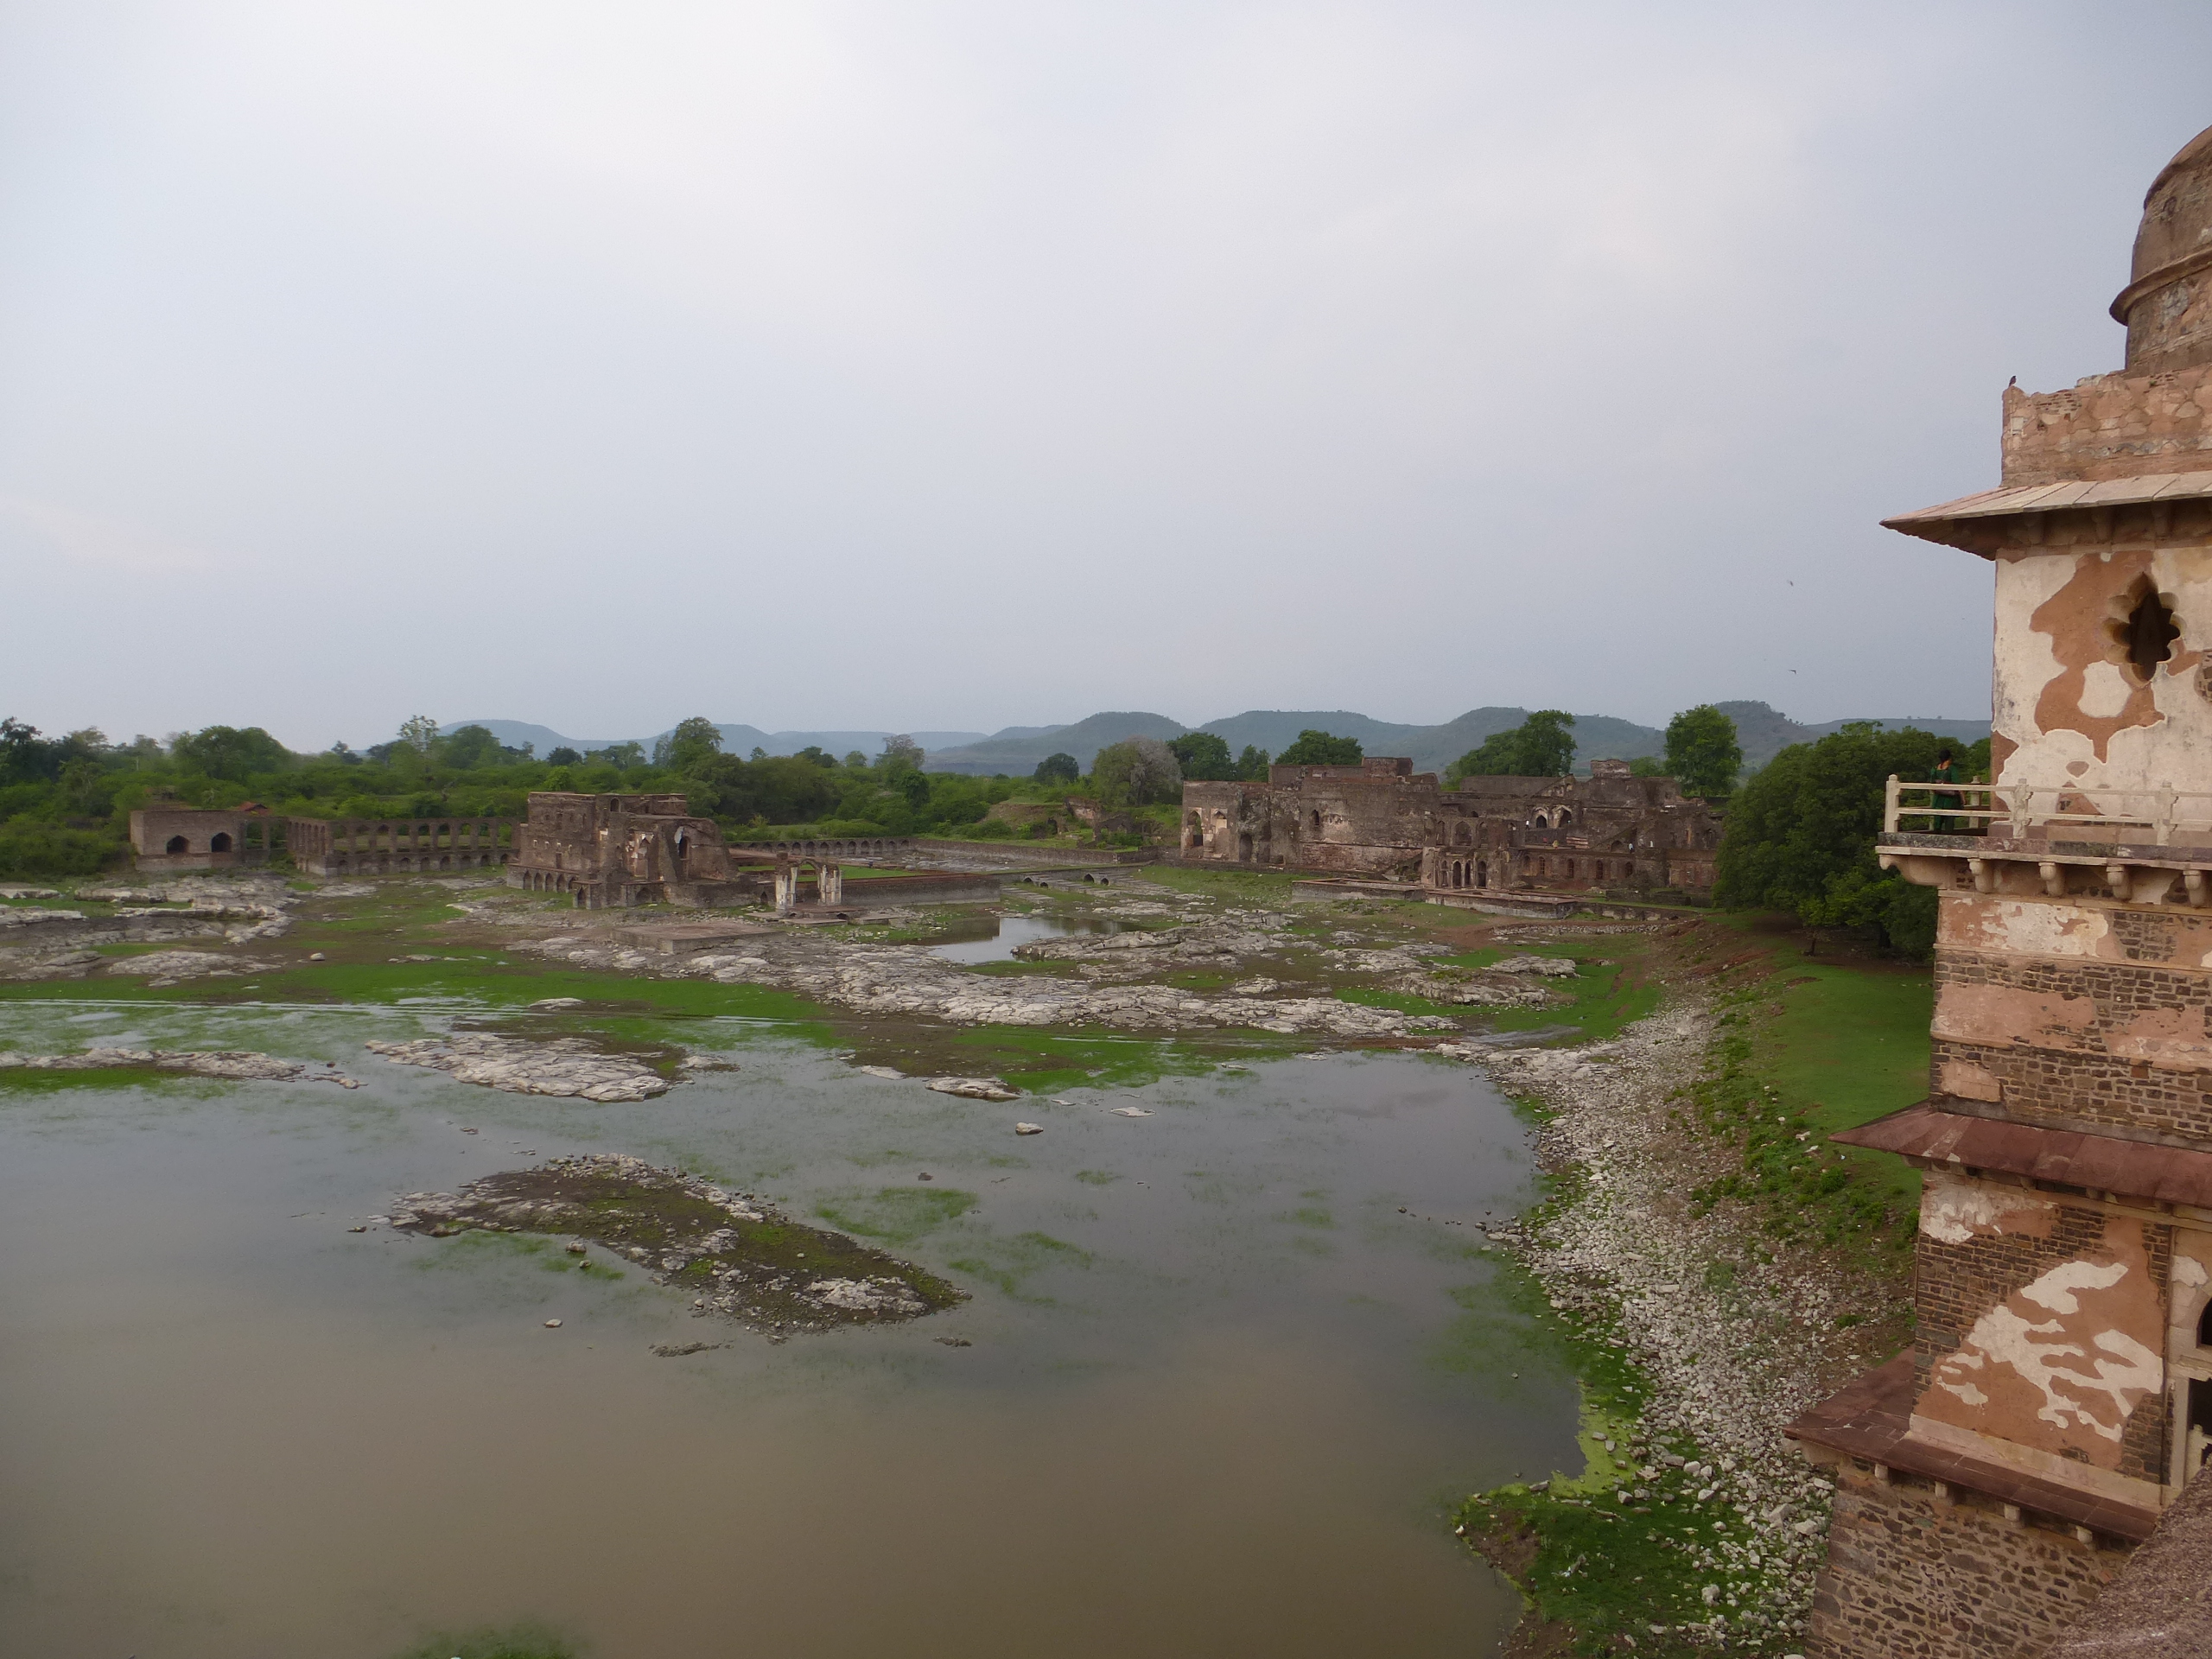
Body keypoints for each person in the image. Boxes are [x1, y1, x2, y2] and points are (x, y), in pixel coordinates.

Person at [1930, 747, 1961, 832]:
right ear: (1949, 758)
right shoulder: (1952, 769)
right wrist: (1963, 798)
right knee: (1949, 822)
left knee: (1937, 822)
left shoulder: (1934, 769)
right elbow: (1957, 784)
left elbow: (1931, 783)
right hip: (1950, 800)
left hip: (1938, 799)